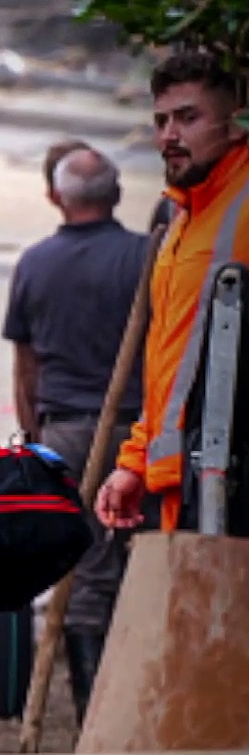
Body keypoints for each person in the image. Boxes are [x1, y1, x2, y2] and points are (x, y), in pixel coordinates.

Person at [3, 144, 153, 721]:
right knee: (141, 562)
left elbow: (25, 369)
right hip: (138, 434)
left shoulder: (35, 264)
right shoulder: (144, 258)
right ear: (116, 195)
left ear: (55, 197)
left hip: (65, 432)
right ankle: (122, 707)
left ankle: (95, 713)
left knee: (85, 572)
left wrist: (33, 437)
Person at [100, 51, 249, 536]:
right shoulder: (181, 222)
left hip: (233, 479)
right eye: (161, 121)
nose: (169, 135)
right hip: (188, 481)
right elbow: (170, 362)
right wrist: (135, 461)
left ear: (235, 124)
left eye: (188, 118)